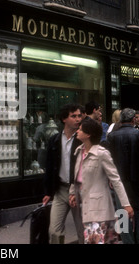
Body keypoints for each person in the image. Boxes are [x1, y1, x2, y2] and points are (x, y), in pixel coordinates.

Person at [69, 118, 133, 244]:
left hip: (99, 207)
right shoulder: (79, 151)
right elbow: (76, 177)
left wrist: (126, 205)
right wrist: (72, 193)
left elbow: (116, 180)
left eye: (80, 129)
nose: (77, 131)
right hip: (84, 205)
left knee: (94, 241)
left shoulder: (101, 154)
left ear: (88, 135)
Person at [105, 108, 139, 244]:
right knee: (138, 208)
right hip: (137, 178)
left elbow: (110, 159)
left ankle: (128, 240)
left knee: (122, 211)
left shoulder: (112, 136)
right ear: (133, 120)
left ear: (120, 120)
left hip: (119, 179)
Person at [42, 103, 84, 244]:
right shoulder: (54, 139)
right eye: (73, 116)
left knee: (83, 231)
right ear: (64, 119)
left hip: (79, 190)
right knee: (54, 230)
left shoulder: (82, 139)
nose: (78, 119)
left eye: (79, 116)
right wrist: (48, 192)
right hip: (60, 190)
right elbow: (49, 166)